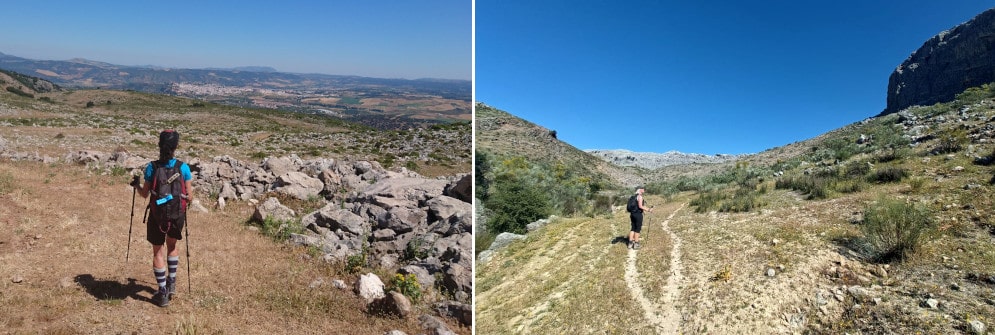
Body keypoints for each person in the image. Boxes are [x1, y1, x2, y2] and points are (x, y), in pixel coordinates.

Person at [132, 130, 193, 307]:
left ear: (159, 145)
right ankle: (172, 282)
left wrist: (137, 185)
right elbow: (189, 197)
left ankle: (163, 293)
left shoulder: (152, 167)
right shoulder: (183, 167)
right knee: (172, 245)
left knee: (158, 251)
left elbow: (145, 194)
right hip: (176, 215)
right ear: (176, 146)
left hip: (157, 216)